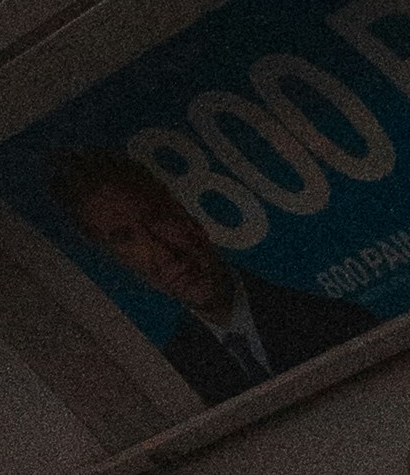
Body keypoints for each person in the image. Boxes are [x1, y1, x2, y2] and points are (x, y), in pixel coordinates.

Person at [47, 149, 372, 401]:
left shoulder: (333, 320)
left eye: (156, 219)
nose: (161, 251)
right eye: (125, 239)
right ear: (117, 261)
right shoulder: (175, 379)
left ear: (186, 216)